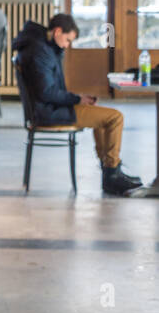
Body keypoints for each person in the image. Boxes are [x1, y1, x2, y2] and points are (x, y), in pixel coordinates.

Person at [11, 14, 143, 197]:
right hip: (49, 113)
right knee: (115, 117)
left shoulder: (42, 47)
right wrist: (76, 99)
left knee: (101, 115)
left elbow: (48, 89)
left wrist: (78, 98)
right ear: (57, 31)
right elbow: (46, 93)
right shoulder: (40, 51)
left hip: (48, 109)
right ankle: (112, 173)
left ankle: (109, 171)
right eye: (67, 40)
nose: (67, 45)